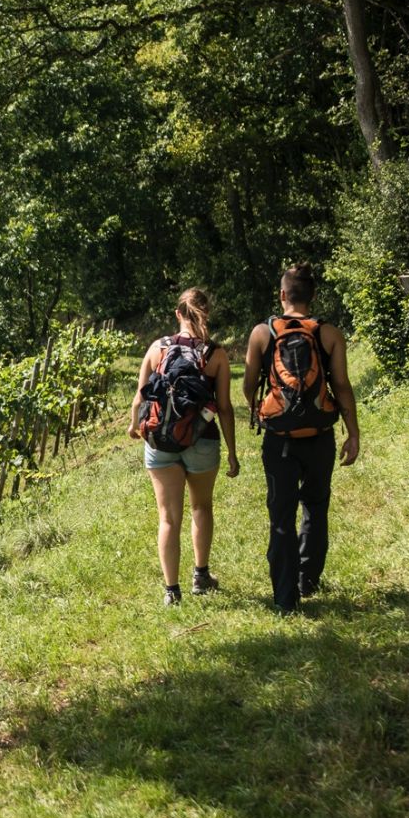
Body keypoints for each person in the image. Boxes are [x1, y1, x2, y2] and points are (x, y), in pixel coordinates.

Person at [242, 262, 360, 612]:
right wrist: (353, 434)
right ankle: (307, 579)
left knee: (281, 516)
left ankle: (285, 600)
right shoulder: (329, 334)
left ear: (282, 295)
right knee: (316, 505)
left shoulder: (262, 334)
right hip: (320, 435)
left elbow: (248, 387)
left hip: (280, 439)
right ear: (314, 296)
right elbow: (341, 385)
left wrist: (266, 414)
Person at [131, 287, 239, 606]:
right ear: (207, 313)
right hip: (201, 440)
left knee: (167, 518)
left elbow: (141, 396)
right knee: (201, 507)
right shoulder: (215, 354)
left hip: (161, 442)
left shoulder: (157, 349)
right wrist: (232, 452)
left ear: (178, 314)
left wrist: (134, 426)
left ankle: (171, 592)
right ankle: (201, 576)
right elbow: (225, 407)